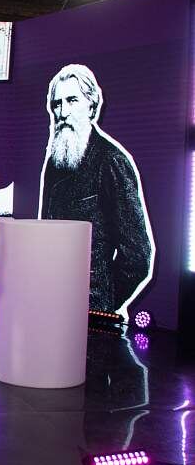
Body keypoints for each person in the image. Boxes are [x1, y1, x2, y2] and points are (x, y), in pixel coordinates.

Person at [38, 64, 153, 317]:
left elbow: (137, 257)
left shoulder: (112, 160)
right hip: (52, 299)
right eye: (57, 104)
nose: (63, 112)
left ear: (91, 106)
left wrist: (101, 301)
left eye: (72, 100)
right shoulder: (55, 160)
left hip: (92, 311)